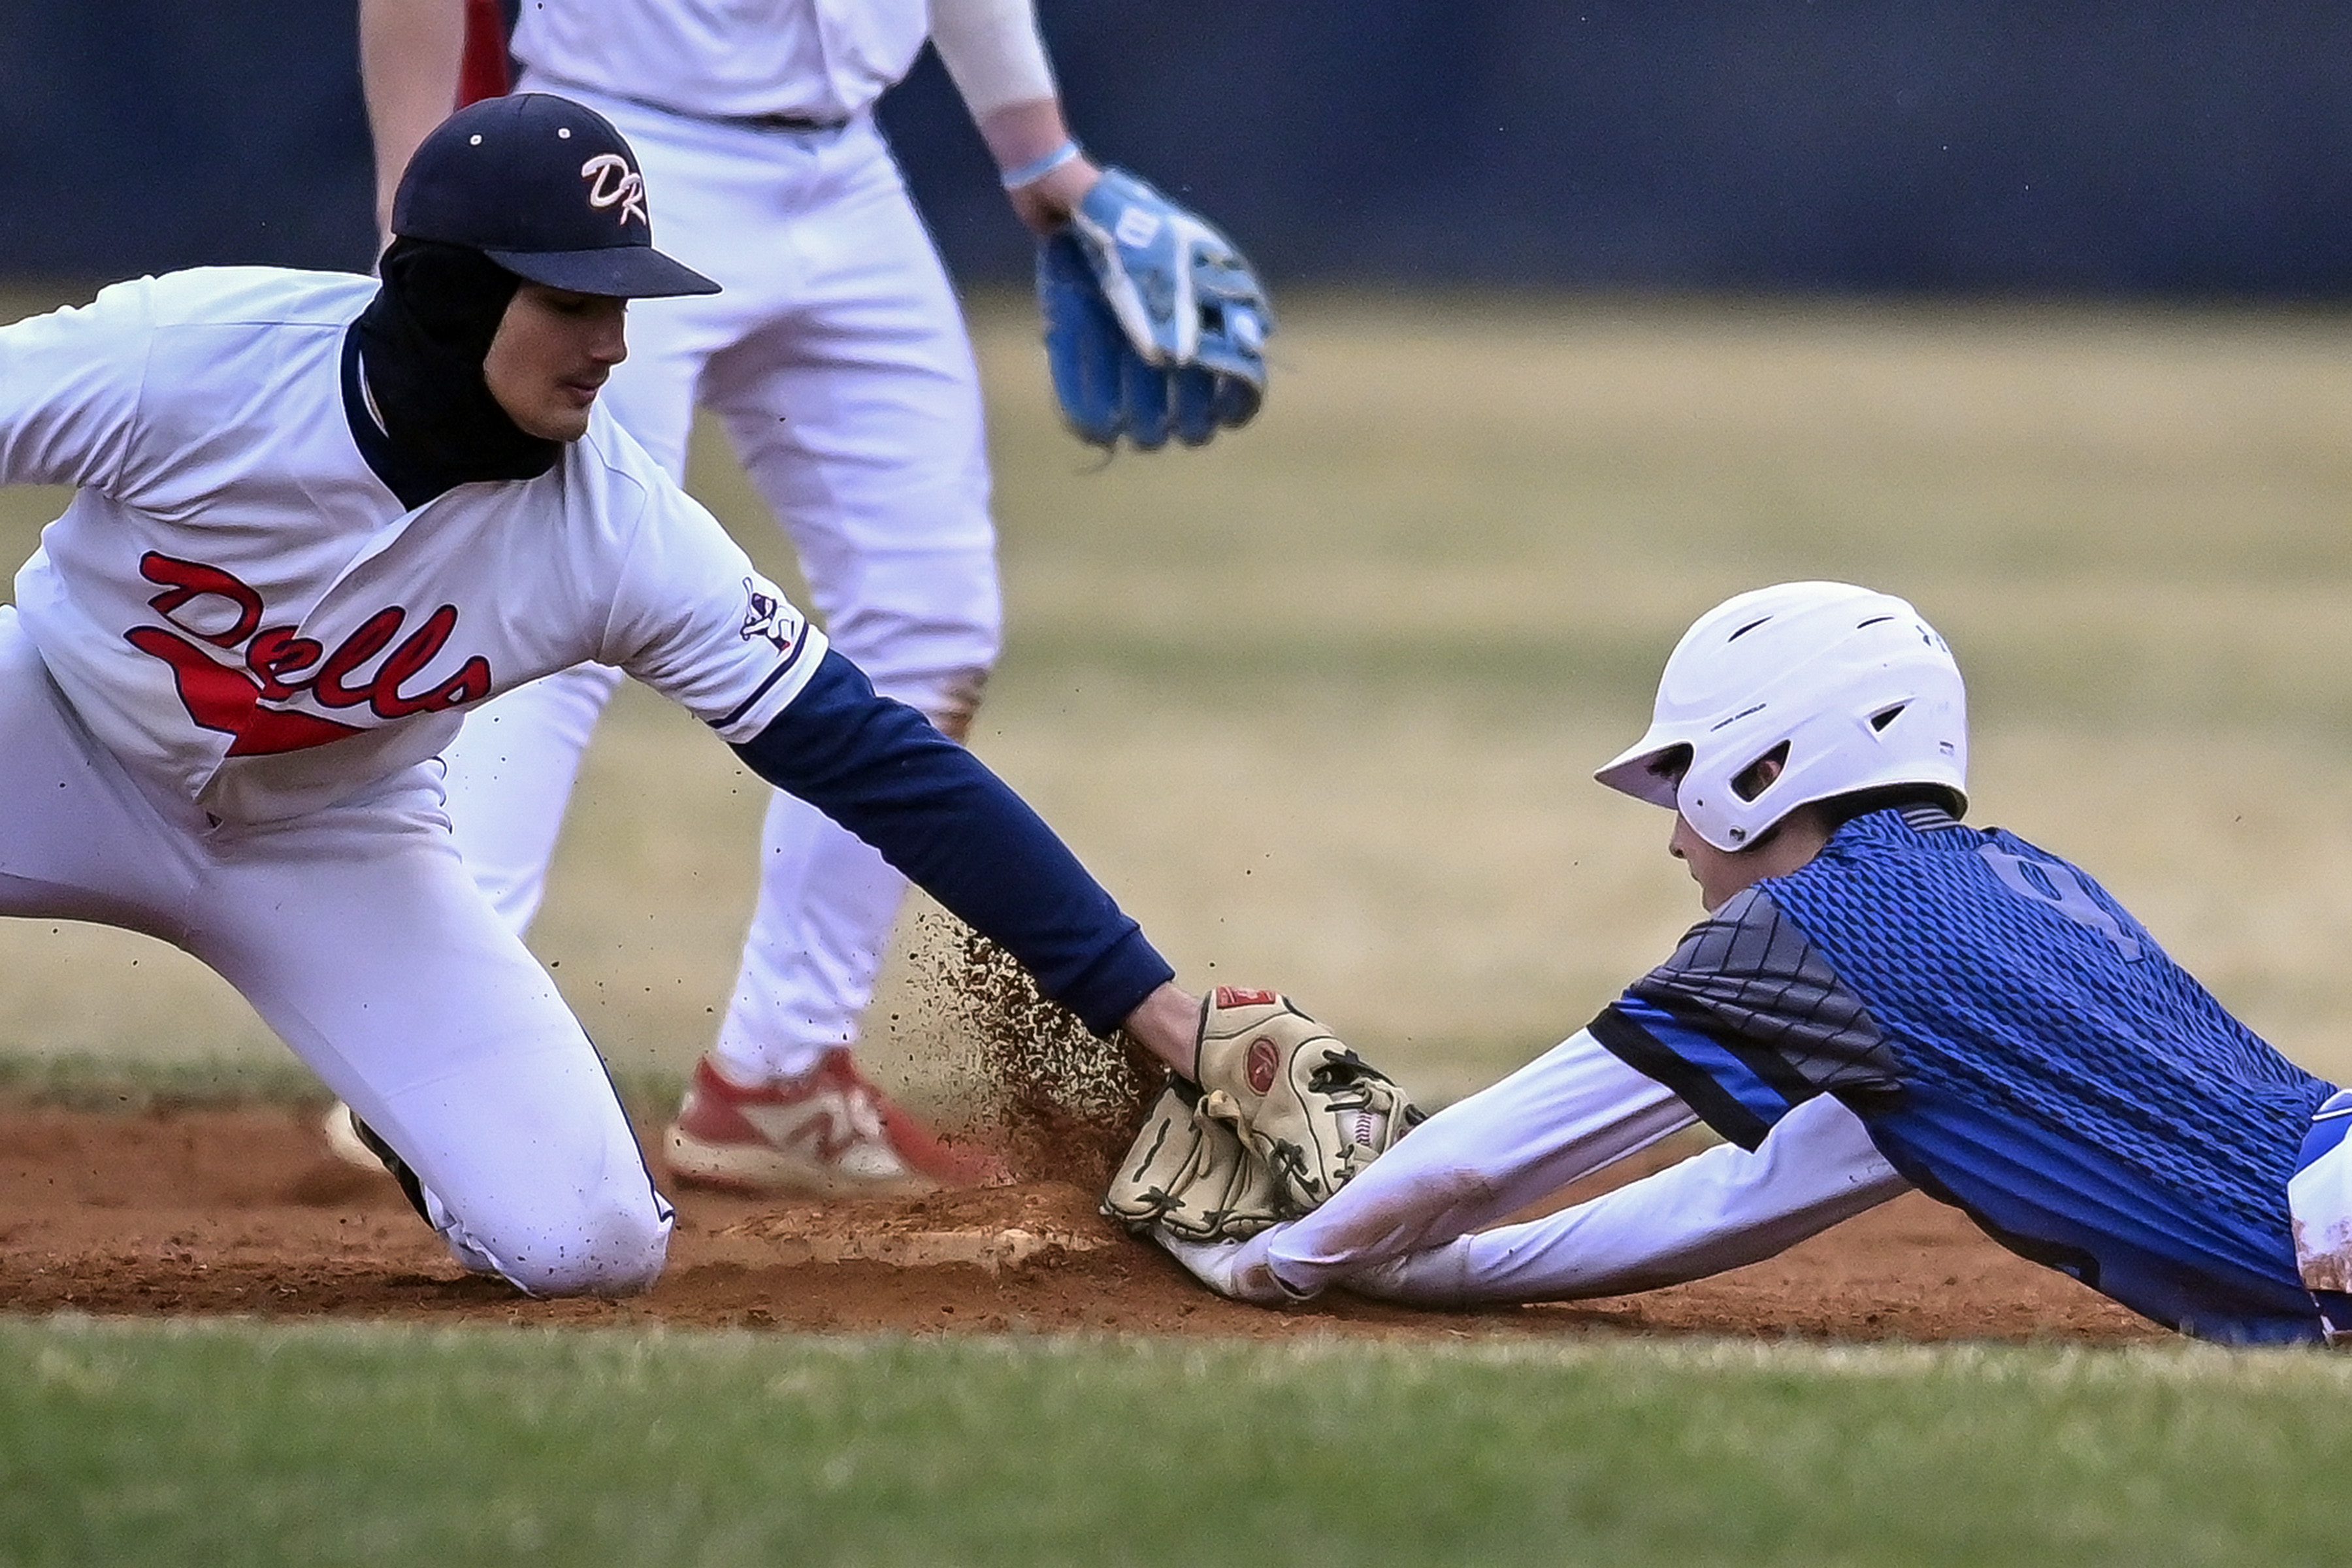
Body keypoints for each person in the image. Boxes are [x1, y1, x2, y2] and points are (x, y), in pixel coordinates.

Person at [0, 92, 1246, 1298]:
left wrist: (1149, 1004)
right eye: (571, 301)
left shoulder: (617, 527)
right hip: (51, 735)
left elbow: (875, 759)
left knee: (589, 1247)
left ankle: (430, 1130)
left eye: (625, 300)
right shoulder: (196, 360)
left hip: (331, 847)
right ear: (449, 294)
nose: (614, 344)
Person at [350, 0, 1267, 1198]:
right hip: (623, 157)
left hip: (849, 166)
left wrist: (1040, 153)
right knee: (553, 608)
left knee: (933, 621)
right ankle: (423, 1042)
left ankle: (778, 1077)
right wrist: (412, 209)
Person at [1154, 581, 2352, 1347]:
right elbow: (1749, 1194)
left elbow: (1486, 1162)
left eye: (1683, 783)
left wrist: (1274, 1260)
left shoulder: (1825, 930)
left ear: (1766, 770)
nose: (1677, 834)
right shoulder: (2022, 885)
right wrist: (1429, 1276)